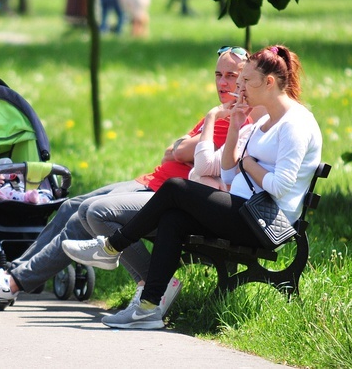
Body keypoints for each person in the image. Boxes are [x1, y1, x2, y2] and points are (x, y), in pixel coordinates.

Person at [0, 46, 248, 308]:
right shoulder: (221, 113)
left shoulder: (231, 118)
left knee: (82, 217)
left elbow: (184, 151)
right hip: (151, 181)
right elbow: (171, 152)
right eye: (218, 75)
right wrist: (181, 149)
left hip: (163, 194)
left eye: (231, 76)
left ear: (245, 79)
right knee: (69, 206)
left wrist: (182, 147)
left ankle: (12, 284)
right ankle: (10, 274)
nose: (222, 82)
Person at [62, 45, 323, 330]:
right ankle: (148, 309)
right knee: (173, 217)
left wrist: (248, 164)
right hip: (243, 210)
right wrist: (235, 127)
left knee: (176, 187)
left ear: (269, 82)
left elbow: (281, 187)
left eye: (246, 80)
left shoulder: (295, 124)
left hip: (264, 222)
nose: (240, 86)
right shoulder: (264, 121)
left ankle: (111, 248)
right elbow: (227, 170)